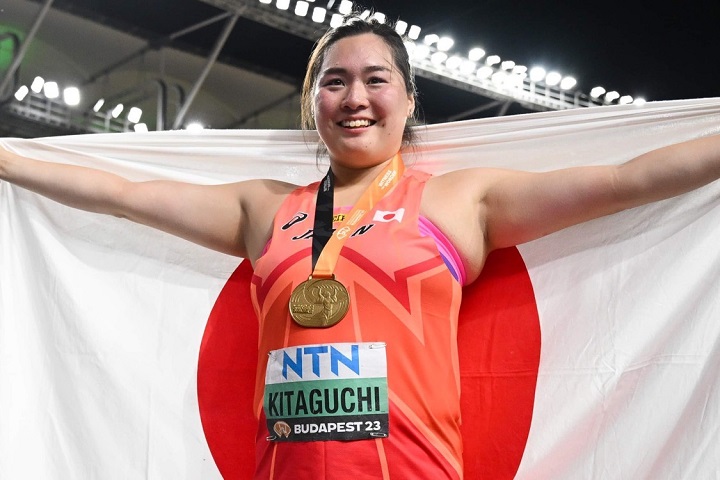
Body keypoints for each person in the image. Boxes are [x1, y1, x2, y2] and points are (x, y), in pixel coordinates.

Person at [1, 14, 719, 480]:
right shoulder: (264, 209)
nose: (354, 98)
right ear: (312, 103)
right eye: (334, 82)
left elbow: (626, 180)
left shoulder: (458, 202)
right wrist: (7, 160)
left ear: (408, 99)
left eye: (376, 79)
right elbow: (121, 195)